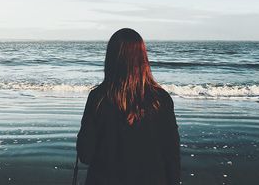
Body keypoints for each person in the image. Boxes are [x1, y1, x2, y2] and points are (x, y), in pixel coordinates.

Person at [76, 28, 181, 185]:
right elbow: (172, 155)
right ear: (143, 57)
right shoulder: (161, 99)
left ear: (111, 58)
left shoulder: (98, 97)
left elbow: (85, 154)